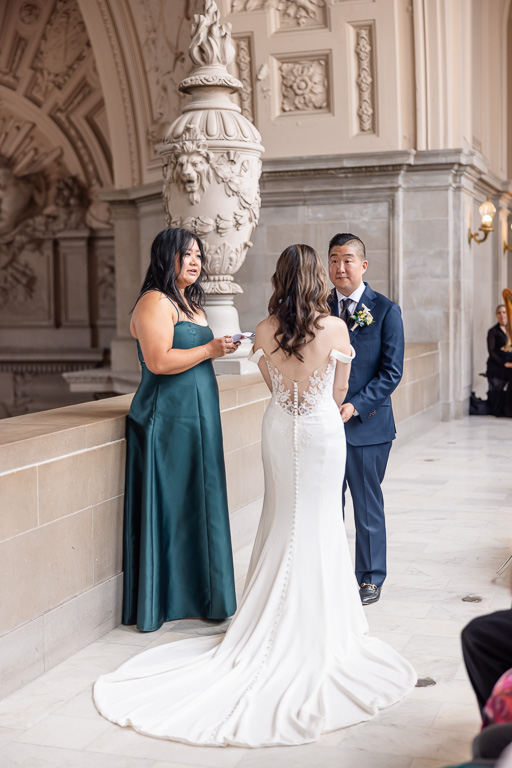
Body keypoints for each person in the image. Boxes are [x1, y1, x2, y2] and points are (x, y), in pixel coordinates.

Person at [93, 243, 416, 747]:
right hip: (320, 433)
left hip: (278, 427)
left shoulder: (264, 330)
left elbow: (271, 384)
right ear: (315, 279)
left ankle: (266, 617)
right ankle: (323, 621)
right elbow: (335, 393)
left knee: (281, 517)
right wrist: (316, 399)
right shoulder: (335, 329)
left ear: (279, 279)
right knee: (322, 520)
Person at [122, 226, 238, 632]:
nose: (195, 261)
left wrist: (218, 346)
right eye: (186, 254)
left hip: (199, 417)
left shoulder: (190, 302)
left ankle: (205, 597)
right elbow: (158, 361)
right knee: (173, 506)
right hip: (168, 420)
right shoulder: (155, 301)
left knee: (199, 502)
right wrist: (210, 349)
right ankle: (168, 600)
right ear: (164, 257)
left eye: (199, 255)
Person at [327, 232, 404, 605]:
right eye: (334, 260)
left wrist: (355, 406)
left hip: (367, 425)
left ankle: (370, 578)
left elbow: (391, 372)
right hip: (323, 423)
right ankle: (331, 570)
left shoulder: (386, 310)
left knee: (366, 503)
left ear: (363, 265)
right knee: (327, 500)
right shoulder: (317, 307)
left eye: (347, 260)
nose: (340, 268)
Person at [486, 304, 512, 417]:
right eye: (499, 313)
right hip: (497, 365)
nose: (502, 315)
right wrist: (504, 363)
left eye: (504, 312)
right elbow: (491, 352)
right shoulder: (493, 331)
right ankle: (507, 409)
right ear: (496, 315)